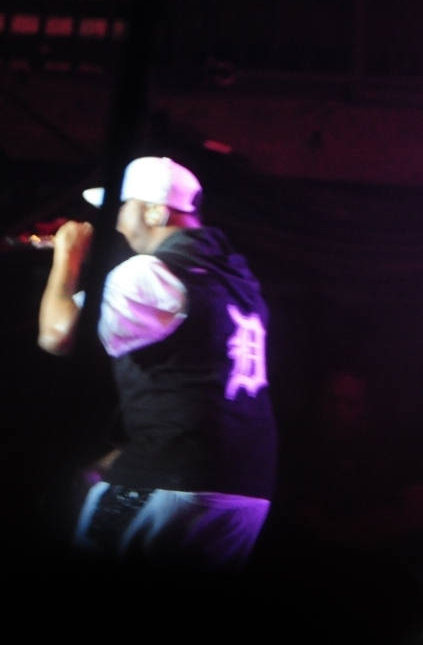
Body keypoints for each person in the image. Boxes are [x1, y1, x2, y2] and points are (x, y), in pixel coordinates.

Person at [37, 156, 278, 576]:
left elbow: (57, 333)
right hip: (243, 490)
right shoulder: (235, 278)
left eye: (123, 207)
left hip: (173, 482)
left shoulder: (153, 272)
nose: (116, 222)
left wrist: (67, 260)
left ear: (155, 211)